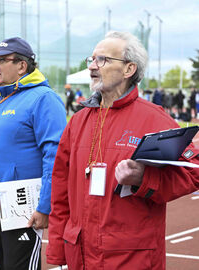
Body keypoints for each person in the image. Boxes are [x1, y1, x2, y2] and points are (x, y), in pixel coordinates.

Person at [46, 31, 199, 270]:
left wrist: (144, 179)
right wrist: (57, 254)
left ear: (129, 69)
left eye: (103, 60)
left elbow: (194, 170)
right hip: (80, 256)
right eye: (92, 59)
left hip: (131, 258)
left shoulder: (154, 118)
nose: (93, 66)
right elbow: (60, 191)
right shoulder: (77, 122)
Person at [0, 37, 67, 270]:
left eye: (2, 60)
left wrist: (45, 206)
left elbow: (55, 156)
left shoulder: (43, 99)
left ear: (22, 66)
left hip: (22, 209)